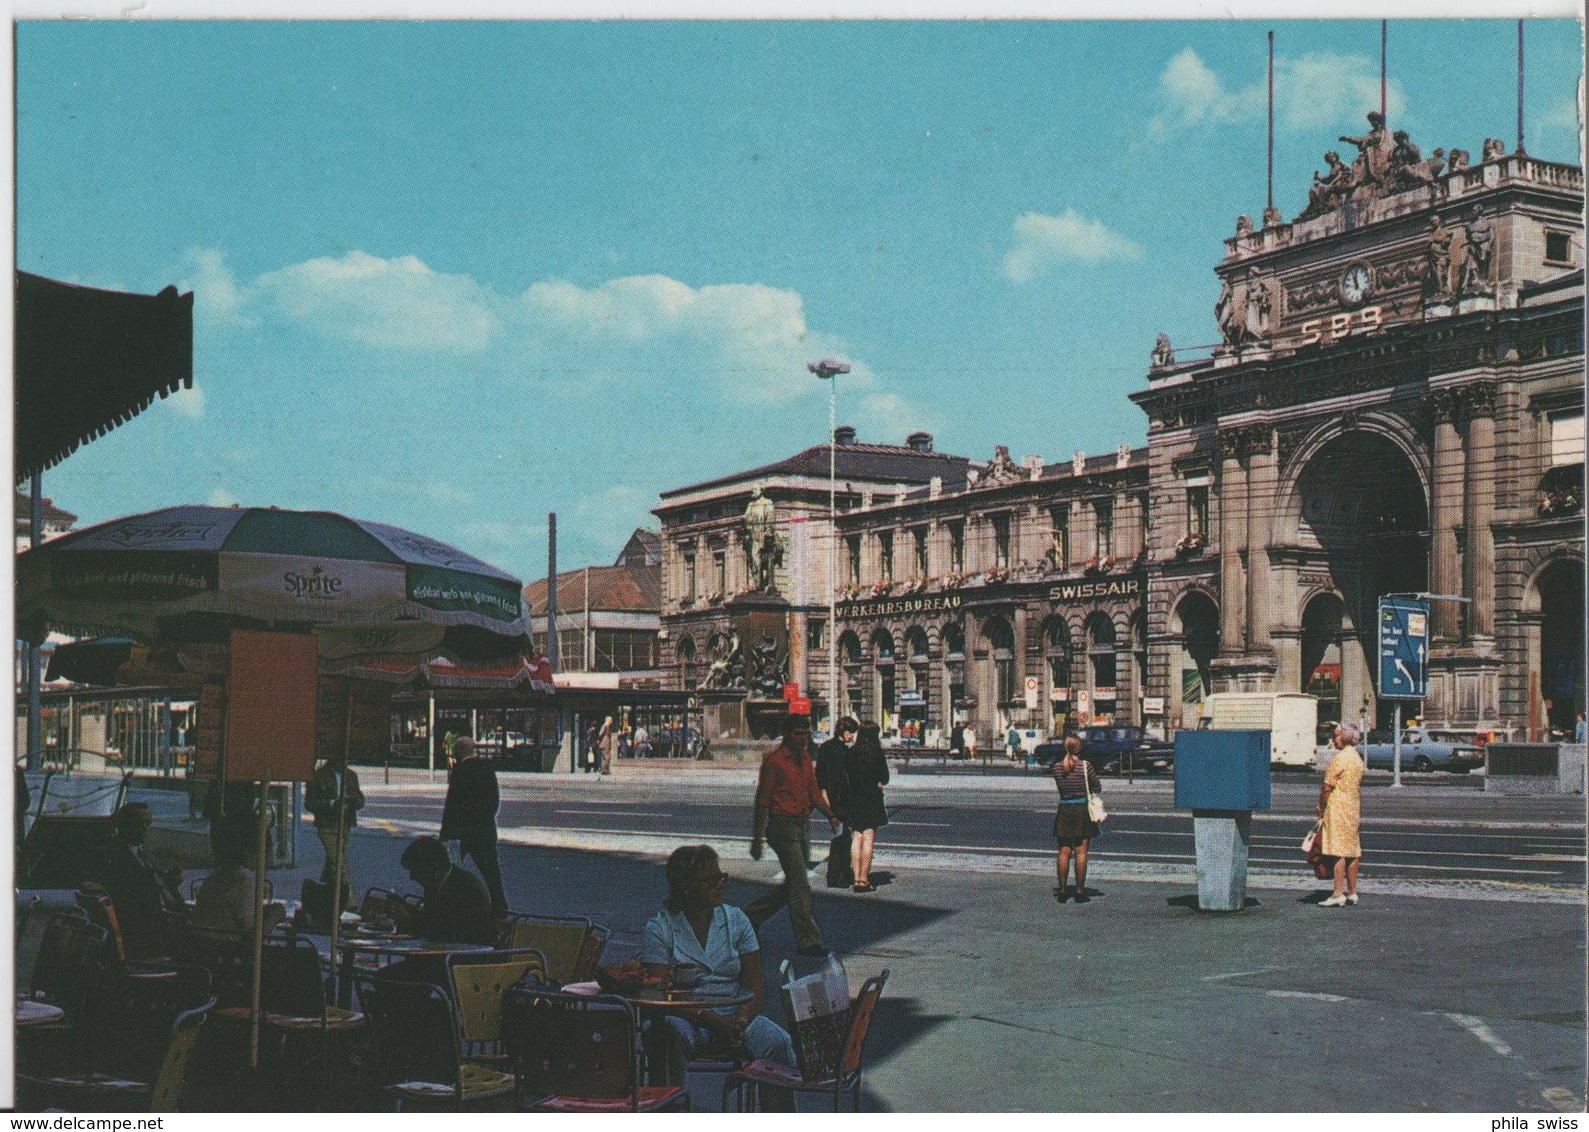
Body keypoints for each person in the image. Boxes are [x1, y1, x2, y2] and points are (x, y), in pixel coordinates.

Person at [639, 845, 798, 1108]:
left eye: (721, 877)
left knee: (777, 1042)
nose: (719, 885)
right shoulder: (660, 928)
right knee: (665, 1033)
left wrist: (741, 1019)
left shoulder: (737, 921)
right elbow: (657, 992)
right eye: (710, 880)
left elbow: (754, 983)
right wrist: (711, 1020)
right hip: (684, 1017)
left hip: (734, 1015)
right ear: (686, 887)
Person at [746, 713, 840, 957]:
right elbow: (762, 802)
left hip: (802, 826)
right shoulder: (774, 762)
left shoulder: (806, 759)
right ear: (787, 735)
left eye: (806, 733)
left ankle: (750, 918)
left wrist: (830, 815)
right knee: (800, 884)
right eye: (798, 733)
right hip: (782, 828)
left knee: (793, 883)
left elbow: (814, 794)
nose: (803, 738)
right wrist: (757, 839)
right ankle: (809, 939)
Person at [100, 802, 188, 956]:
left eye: (148, 823)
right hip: (151, 937)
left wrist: (169, 881)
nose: (145, 829)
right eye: (139, 823)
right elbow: (134, 898)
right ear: (123, 825)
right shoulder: (114, 857)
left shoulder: (144, 854)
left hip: (166, 925)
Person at [440, 736, 506, 912]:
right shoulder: (486, 768)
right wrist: (485, 820)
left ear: (460, 751)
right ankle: (500, 906)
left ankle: (448, 906)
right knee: (491, 872)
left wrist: (445, 833)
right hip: (484, 831)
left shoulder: (459, 770)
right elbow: (494, 800)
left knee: (449, 871)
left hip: (461, 832)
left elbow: (452, 804)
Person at [192, 811, 283, 935]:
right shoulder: (242, 882)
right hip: (227, 949)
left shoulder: (212, 880)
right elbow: (251, 936)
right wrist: (274, 917)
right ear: (249, 851)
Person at [1317, 724, 1365, 907]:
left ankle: (1338, 894)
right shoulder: (1357, 759)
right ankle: (1352, 892)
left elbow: (1327, 787)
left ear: (1344, 738)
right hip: (1353, 807)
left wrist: (1321, 807)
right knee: (1352, 851)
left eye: (1336, 736)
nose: (1334, 739)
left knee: (1338, 851)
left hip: (1337, 807)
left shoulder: (1339, 759)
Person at [1051, 736, 1102, 904]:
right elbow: (1097, 786)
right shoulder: (1085, 766)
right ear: (1080, 749)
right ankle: (1080, 891)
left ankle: (1063, 891)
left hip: (1065, 809)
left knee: (1064, 851)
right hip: (1082, 810)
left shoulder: (1057, 768)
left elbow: (1061, 788)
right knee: (1081, 851)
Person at [306, 752, 364, 898]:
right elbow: (309, 803)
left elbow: (360, 799)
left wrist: (355, 801)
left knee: (334, 861)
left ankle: (327, 890)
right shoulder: (319, 776)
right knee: (338, 862)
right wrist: (332, 804)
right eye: (341, 760)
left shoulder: (351, 775)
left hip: (346, 823)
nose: (344, 763)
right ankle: (349, 900)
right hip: (327, 824)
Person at [845, 723, 890, 893]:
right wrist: (877, 783)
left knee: (856, 838)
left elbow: (846, 775)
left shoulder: (851, 752)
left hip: (854, 798)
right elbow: (884, 777)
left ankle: (856, 878)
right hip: (872, 799)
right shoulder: (877, 752)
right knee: (869, 838)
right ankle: (864, 879)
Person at [816, 717, 859, 889]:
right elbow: (830, 779)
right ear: (845, 732)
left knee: (841, 838)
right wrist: (830, 808)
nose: (852, 737)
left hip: (836, 799)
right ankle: (836, 876)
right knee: (841, 839)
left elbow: (821, 778)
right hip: (839, 800)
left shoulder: (828, 748)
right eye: (851, 733)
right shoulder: (838, 750)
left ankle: (841, 874)